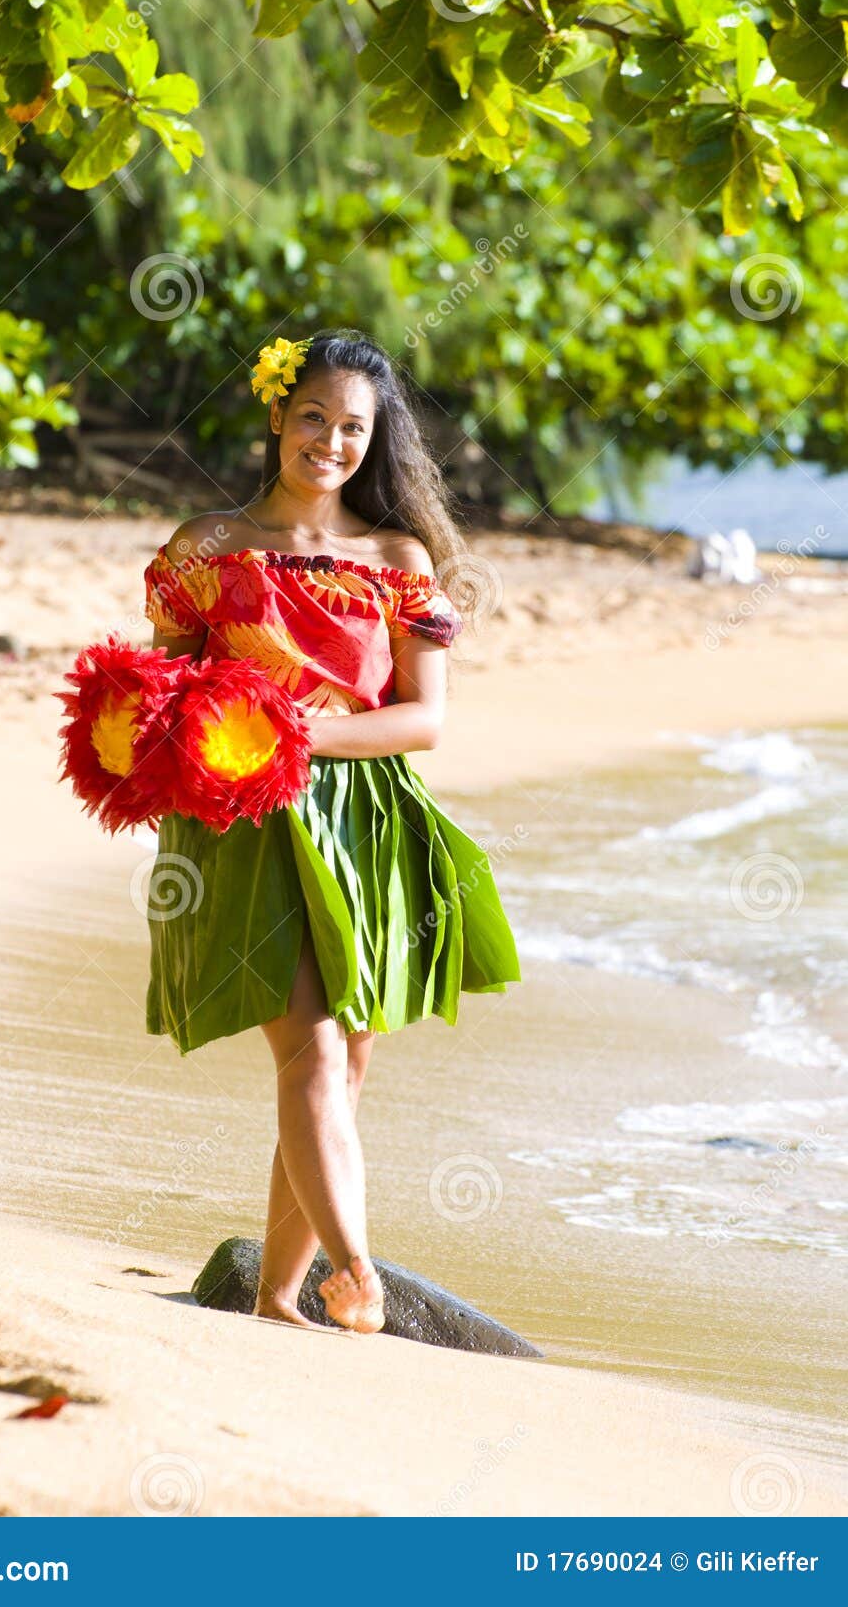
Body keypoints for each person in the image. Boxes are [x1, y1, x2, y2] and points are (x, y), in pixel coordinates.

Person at [140, 328, 521, 1335]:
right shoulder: (207, 548)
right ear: (275, 415)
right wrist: (215, 737)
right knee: (309, 1054)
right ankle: (356, 1271)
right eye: (313, 416)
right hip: (244, 820)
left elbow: (424, 717)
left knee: (342, 1066)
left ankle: (273, 1291)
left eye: (353, 426)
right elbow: (160, 691)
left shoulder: (396, 561)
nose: (331, 441)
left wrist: (305, 728)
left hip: (366, 819)